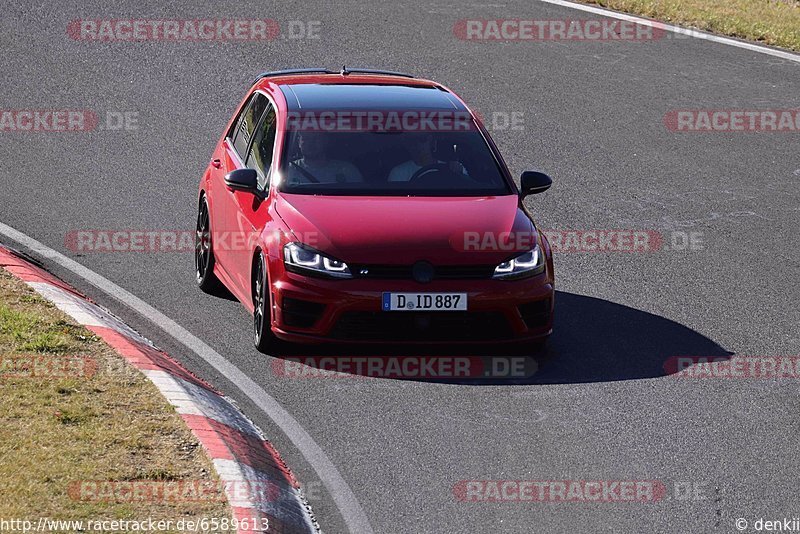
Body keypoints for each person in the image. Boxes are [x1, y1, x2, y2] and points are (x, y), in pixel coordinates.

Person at [286, 132, 363, 184]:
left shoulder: (347, 170)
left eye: (316, 138)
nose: (311, 143)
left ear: (325, 141)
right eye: (306, 138)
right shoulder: (288, 170)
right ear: (298, 142)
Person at [388, 133, 467, 182]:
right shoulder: (398, 173)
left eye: (422, 139)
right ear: (407, 145)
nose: (418, 145)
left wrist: (458, 174)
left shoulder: (453, 169)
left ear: (431, 142)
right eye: (412, 140)